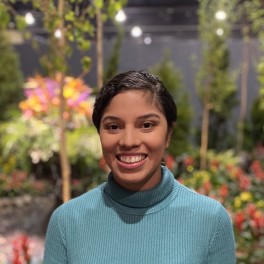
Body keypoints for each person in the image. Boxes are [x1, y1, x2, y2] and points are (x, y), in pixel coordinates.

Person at [44, 70, 236, 263]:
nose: (129, 141)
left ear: (168, 134)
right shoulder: (67, 222)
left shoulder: (210, 220)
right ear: (99, 134)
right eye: (113, 127)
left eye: (146, 125)